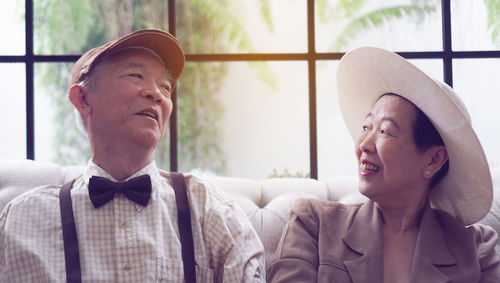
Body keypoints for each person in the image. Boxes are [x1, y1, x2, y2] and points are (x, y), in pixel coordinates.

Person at [0, 29, 265, 282]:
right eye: (135, 75)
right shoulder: (23, 220)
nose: (156, 94)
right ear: (82, 99)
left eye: (165, 87)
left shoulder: (210, 210)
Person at [268, 47, 500, 282]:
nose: (364, 145)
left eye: (385, 131)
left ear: (433, 159)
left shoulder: (478, 250)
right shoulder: (313, 225)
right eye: (366, 127)